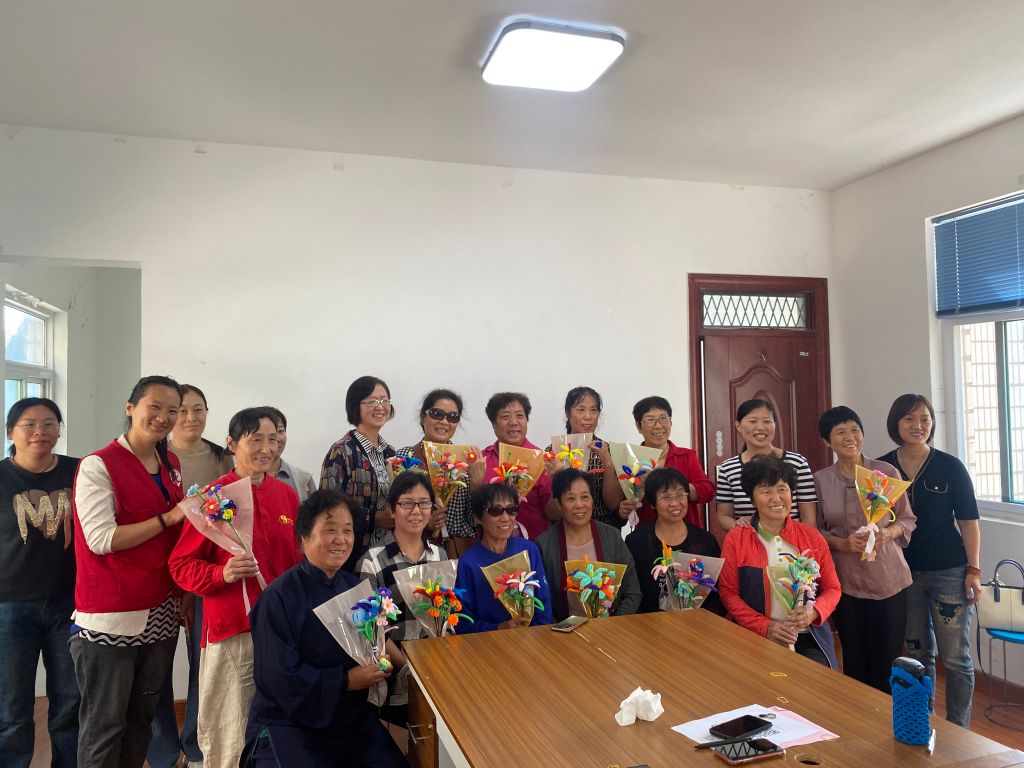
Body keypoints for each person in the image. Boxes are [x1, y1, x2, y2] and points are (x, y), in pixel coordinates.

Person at [169, 407, 301, 768]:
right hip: (233, 630)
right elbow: (180, 566)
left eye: (272, 439)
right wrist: (221, 574)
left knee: (279, 724)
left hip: (281, 630)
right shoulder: (210, 500)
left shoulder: (287, 496)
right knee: (230, 729)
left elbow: (294, 562)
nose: (266, 448)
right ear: (231, 443)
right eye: (255, 439)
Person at [70, 375, 189, 767]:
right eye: (154, 406)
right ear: (130, 407)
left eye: (172, 410)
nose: (163, 417)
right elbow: (101, 538)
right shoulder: (98, 465)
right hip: (113, 614)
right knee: (104, 726)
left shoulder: (170, 463)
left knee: (141, 720)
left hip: (162, 609)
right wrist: (168, 518)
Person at [242, 490, 408, 767]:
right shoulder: (278, 597)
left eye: (347, 530)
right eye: (330, 530)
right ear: (304, 537)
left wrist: (382, 665)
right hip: (290, 722)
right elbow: (278, 679)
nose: (340, 539)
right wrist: (345, 680)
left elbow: (375, 643)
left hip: (349, 717)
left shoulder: (356, 589)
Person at [879, 393, 981, 727]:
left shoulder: (950, 467)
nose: (918, 425)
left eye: (925, 419)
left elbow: (968, 522)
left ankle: (959, 730)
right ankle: (924, 724)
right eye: (909, 418)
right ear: (896, 423)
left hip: (949, 572)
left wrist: (974, 569)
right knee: (916, 654)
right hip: (901, 575)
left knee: (955, 657)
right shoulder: (882, 469)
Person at [151, 383, 234, 768]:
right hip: (156, 575)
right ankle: (164, 752)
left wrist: (192, 586)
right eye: (181, 410)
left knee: (204, 665)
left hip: (204, 575)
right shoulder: (156, 459)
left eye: (198, 409)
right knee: (155, 670)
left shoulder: (222, 459)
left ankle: (197, 745)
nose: (190, 417)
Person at [0, 398, 79, 767]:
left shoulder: (79, 471)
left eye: (49, 423)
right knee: (12, 707)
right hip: (10, 606)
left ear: (59, 430)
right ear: (10, 432)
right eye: (29, 424)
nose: (40, 432)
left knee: (71, 702)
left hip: (71, 603)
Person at [814, 406, 916, 693]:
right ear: (827, 441)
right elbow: (815, 531)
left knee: (888, 660)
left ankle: (886, 716)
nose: (850, 437)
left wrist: (887, 533)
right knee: (855, 659)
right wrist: (842, 543)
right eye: (841, 432)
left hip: (888, 579)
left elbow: (907, 519)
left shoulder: (885, 472)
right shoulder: (820, 480)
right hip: (845, 582)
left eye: (855, 430)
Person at [718, 456, 841, 668]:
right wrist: (765, 627)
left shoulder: (811, 537)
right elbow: (728, 593)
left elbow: (833, 588)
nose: (776, 498)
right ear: (752, 499)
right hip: (755, 636)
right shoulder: (737, 538)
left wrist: (813, 612)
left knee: (816, 682)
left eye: (782, 489)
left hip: (807, 636)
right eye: (766, 491)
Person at [356, 471, 446, 724]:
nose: (416, 511)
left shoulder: (439, 555)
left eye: (424, 503)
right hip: (396, 681)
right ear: (392, 510)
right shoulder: (372, 562)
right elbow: (373, 631)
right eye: (407, 503)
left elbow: (445, 616)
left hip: (436, 674)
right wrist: (409, 666)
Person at [536, 468, 641, 621]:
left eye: (585, 497)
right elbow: (541, 602)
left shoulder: (611, 537)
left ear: (592, 500)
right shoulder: (544, 545)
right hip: (562, 631)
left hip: (611, 628)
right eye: (571, 498)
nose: (579, 505)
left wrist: (614, 623)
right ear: (558, 504)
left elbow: (632, 592)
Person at [394, 389, 484, 556]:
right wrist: (423, 522)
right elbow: (393, 510)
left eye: (452, 417)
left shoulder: (466, 461)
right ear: (423, 417)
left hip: (455, 551)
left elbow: (475, 521)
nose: (444, 421)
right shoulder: (403, 457)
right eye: (437, 414)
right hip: (413, 550)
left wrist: (478, 486)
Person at [320, 376, 397, 566]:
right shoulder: (341, 451)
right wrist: (373, 520)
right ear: (355, 406)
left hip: (389, 554)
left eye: (384, 400)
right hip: (353, 555)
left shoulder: (391, 453)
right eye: (371, 401)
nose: (380, 407)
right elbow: (328, 506)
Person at [625, 468, 724, 615]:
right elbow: (630, 592)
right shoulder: (636, 542)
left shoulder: (706, 541)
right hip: (647, 623)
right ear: (652, 503)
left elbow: (717, 594)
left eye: (680, 495)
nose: (675, 503)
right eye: (666, 497)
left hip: (696, 623)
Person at [455, 484, 553, 632]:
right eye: (496, 511)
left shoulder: (529, 549)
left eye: (511, 510)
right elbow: (463, 621)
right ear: (477, 517)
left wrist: (538, 634)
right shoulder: (468, 562)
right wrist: (498, 628)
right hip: (489, 642)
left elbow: (543, 603)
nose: (506, 518)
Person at [716, 398, 817, 531]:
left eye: (767, 421)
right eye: (753, 421)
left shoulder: (797, 463)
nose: (760, 427)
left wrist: (806, 542)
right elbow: (724, 516)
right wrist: (737, 526)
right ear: (738, 425)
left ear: (775, 424)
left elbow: (809, 518)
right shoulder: (728, 469)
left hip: (792, 541)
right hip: (749, 540)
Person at [474, 392, 557, 540]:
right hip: (490, 546)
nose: (513, 422)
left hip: (534, 545)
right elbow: (472, 513)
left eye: (519, 416)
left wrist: (558, 484)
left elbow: (553, 514)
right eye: (505, 417)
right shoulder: (481, 460)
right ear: (493, 424)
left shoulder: (542, 460)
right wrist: (476, 486)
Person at [625, 396, 715, 529]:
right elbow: (623, 503)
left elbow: (707, 492)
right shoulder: (631, 460)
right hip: (647, 534)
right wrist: (625, 506)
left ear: (671, 423)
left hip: (687, 532)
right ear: (639, 426)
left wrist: (675, 487)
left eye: (663, 418)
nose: (658, 425)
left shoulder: (686, 456)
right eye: (650, 420)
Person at [547, 386, 625, 527]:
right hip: (565, 531)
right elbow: (552, 513)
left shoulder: (608, 450)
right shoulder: (553, 452)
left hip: (603, 529)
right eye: (581, 409)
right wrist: (556, 478)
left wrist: (608, 464)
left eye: (593, 410)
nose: (588, 416)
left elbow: (613, 504)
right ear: (568, 413)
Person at [265, 405, 318, 504]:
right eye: (270, 433)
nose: (277, 439)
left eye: (280, 431)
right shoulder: (240, 479)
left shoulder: (304, 479)